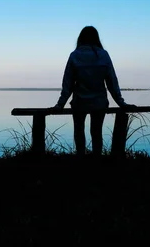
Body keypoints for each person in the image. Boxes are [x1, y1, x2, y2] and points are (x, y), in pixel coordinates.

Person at [53, 26, 134, 155]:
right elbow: (112, 81)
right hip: (99, 102)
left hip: (79, 102)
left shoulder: (75, 55)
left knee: (79, 132)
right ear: (97, 39)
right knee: (97, 133)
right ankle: (96, 162)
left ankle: (81, 160)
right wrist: (121, 102)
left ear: (80, 38)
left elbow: (67, 83)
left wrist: (60, 104)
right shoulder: (103, 55)